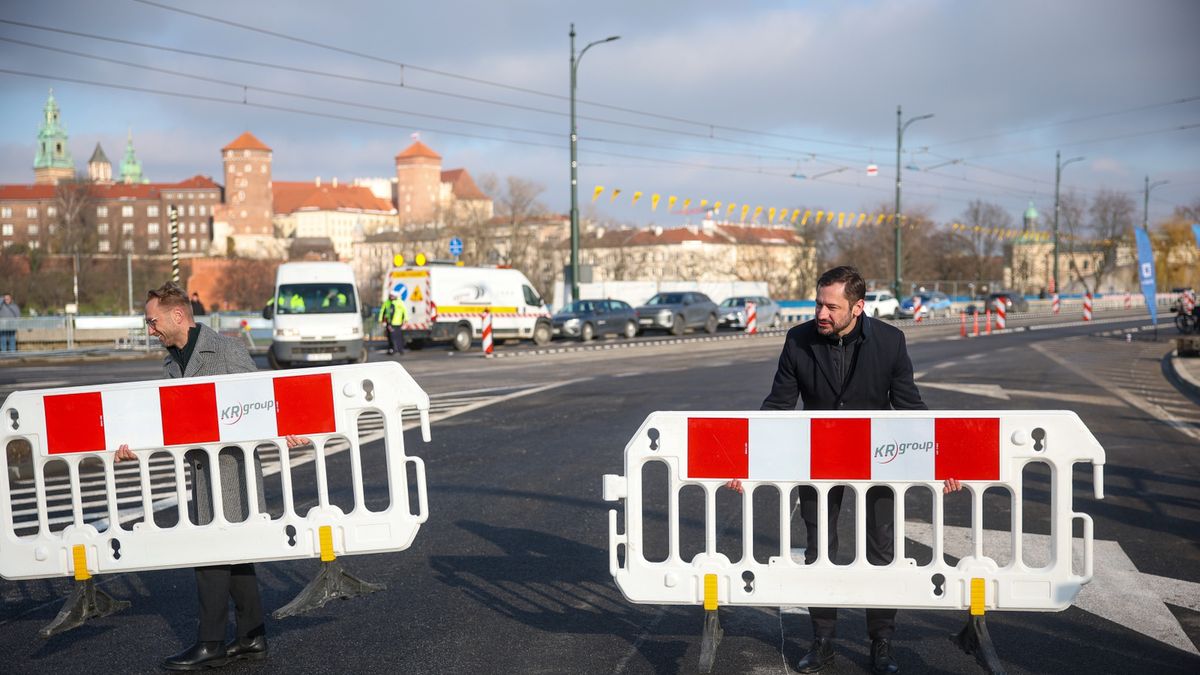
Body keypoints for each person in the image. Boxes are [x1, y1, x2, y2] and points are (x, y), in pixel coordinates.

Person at [728, 266, 961, 674]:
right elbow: (778, 406)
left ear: (857, 307)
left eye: (831, 306)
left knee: (882, 549)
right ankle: (822, 641)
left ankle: (882, 642)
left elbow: (909, 407)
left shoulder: (890, 341)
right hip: (817, 460)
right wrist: (746, 462)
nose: (821, 312)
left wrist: (942, 462)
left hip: (881, 459)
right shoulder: (798, 340)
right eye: (819, 302)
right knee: (820, 548)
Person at [114, 282, 268, 670]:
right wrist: (134, 443)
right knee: (234, 554)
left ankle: (210, 643)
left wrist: (286, 430)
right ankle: (252, 636)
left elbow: (262, 401)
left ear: (177, 315)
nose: (151, 330)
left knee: (210, 552)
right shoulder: (170, 359)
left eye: (153, 322)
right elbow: (166, 419)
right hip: (202, 470)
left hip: (234, 470)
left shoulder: (227, 349)